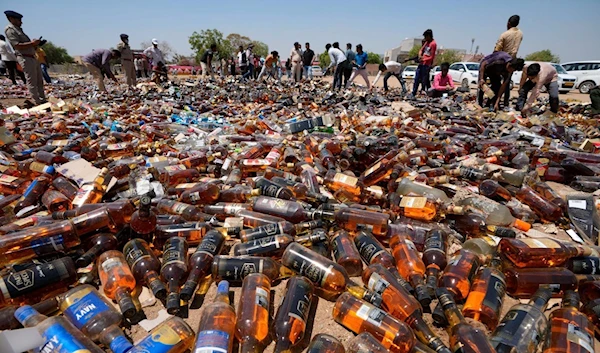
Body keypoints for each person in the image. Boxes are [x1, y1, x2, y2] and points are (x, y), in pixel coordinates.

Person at [4, 10, 46, 105]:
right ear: (11, 19)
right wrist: (32, 43)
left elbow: (26, 45)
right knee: (32, 81)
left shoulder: (18, 29)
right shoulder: (10, 30)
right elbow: (17, 45)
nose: (21, 22)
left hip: (32, 57)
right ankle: (37, 101)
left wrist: (36, 44)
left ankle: (42, 99)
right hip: (25, 58)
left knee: (39, 80)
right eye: (19, 20)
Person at [495, 15, 523, 109]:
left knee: (497, 82)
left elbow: (497, 49)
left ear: (508, 23)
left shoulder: (505, 34)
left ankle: (496, 101)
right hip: (513, 61)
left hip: (502, 60)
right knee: (506, 82)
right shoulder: (520, 34)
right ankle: (506, 102)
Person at [411, 29, 437, 98]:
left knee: (424, 81)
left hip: (426, 65)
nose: (425, 38)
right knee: (416, 79)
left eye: (426, 37)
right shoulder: (427, 42)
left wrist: (424, 59)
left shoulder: (433, 44)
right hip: (421, 64)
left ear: (429, 36)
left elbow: (431, 57)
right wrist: (420, 56)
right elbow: (421, 50)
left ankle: (427, 93)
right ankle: (413, 93)